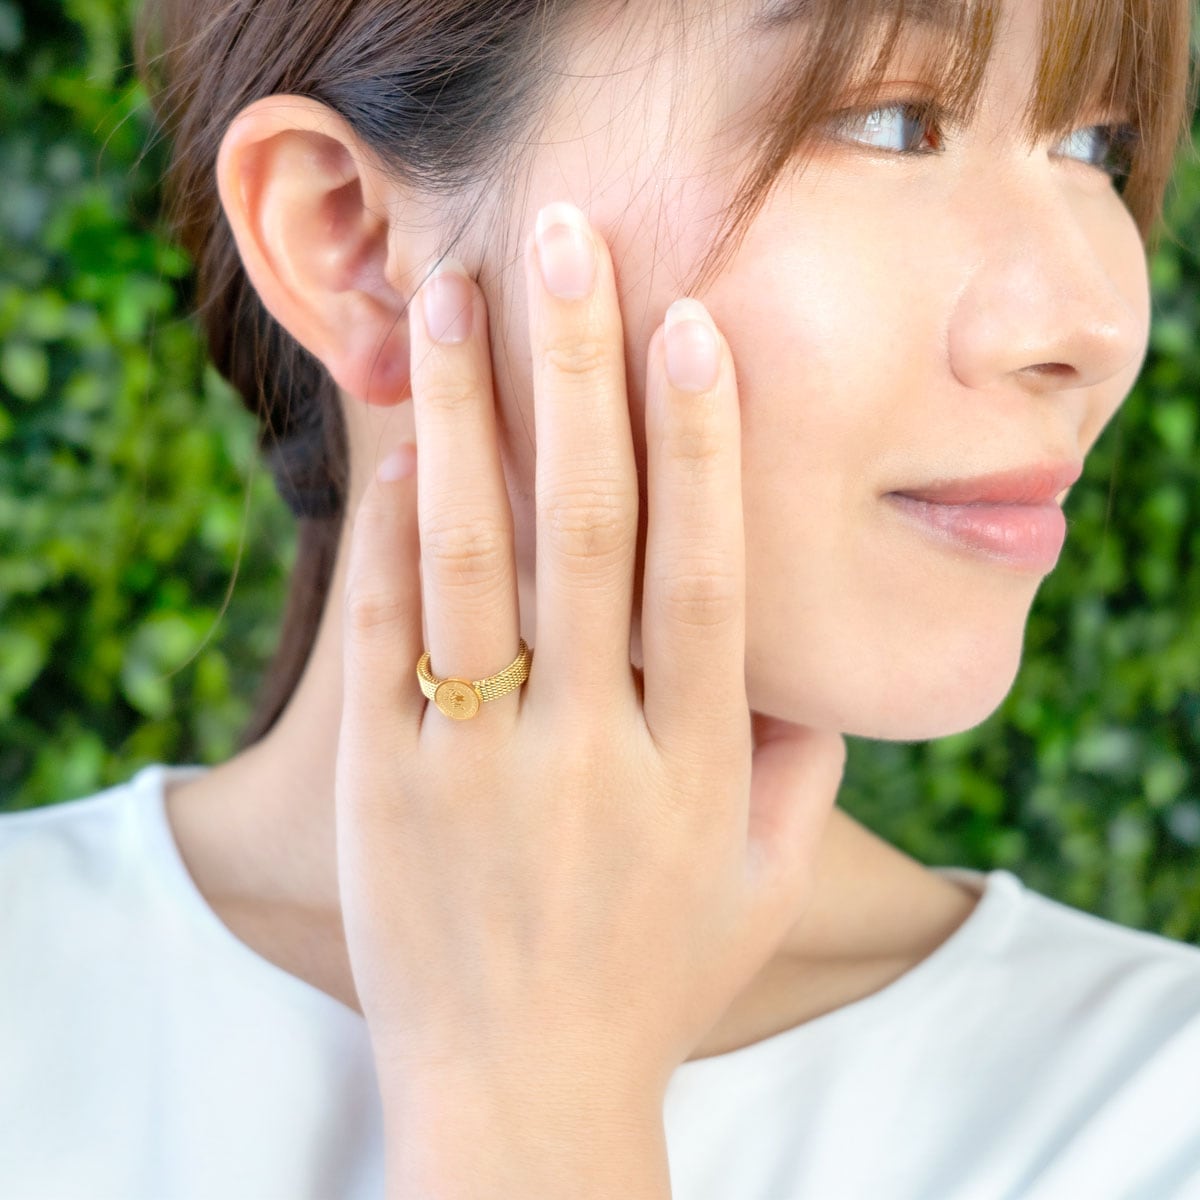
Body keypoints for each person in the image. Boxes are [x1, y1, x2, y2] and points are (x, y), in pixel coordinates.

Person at [2, 0, 1198, 1195]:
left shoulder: (1150, 1106)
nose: (1091, 323)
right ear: (348, 239)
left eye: (1098, 144)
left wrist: (537, 1106)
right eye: (891, 121)